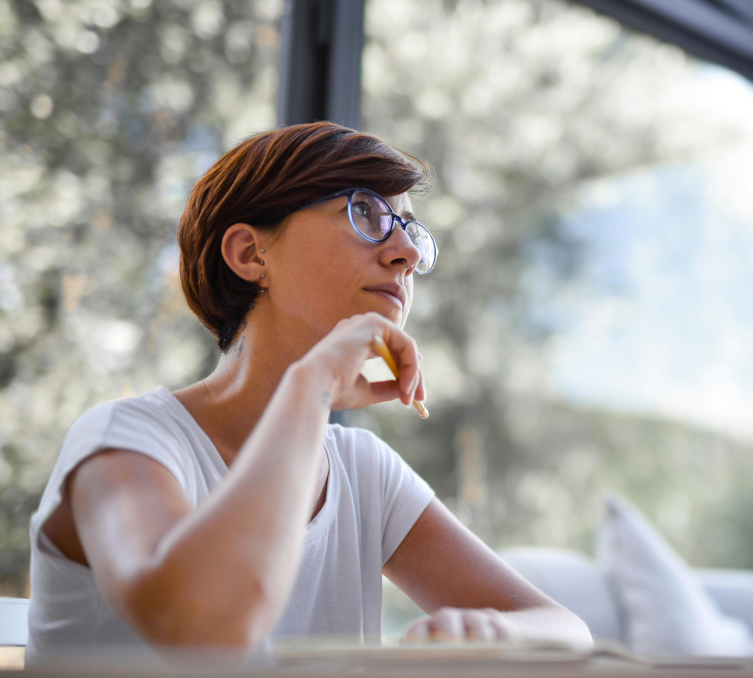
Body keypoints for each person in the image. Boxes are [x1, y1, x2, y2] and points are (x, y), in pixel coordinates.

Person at [25, 122, 593, 664]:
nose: (408, 254)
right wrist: (311, 384)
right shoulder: (126, 441)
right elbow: (206, 629)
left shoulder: (364, 472)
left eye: (410, 229)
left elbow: (566, 631)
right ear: (251, 254)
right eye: (366, 212)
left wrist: (490, 632)